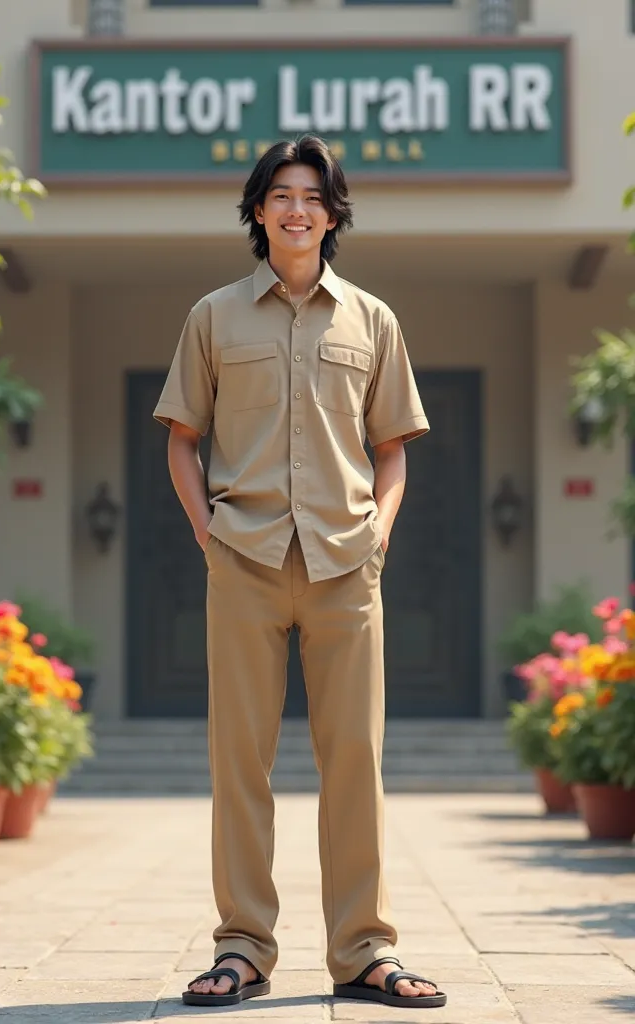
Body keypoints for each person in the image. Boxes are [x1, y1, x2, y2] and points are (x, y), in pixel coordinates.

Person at [153, 134, 447, 1011]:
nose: (296, 208)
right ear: (256, 210)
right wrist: (210, 536)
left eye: (313, 196)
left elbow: (392, 451)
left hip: (345, 566)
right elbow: (182, 439)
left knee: (353, 759)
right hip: (243, 561)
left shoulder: (372, 319)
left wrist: (379, 534)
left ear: (333, 213)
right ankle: (241, 948)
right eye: (280, 194)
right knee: (239, 764)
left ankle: (362, 951)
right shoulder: (212, 317)